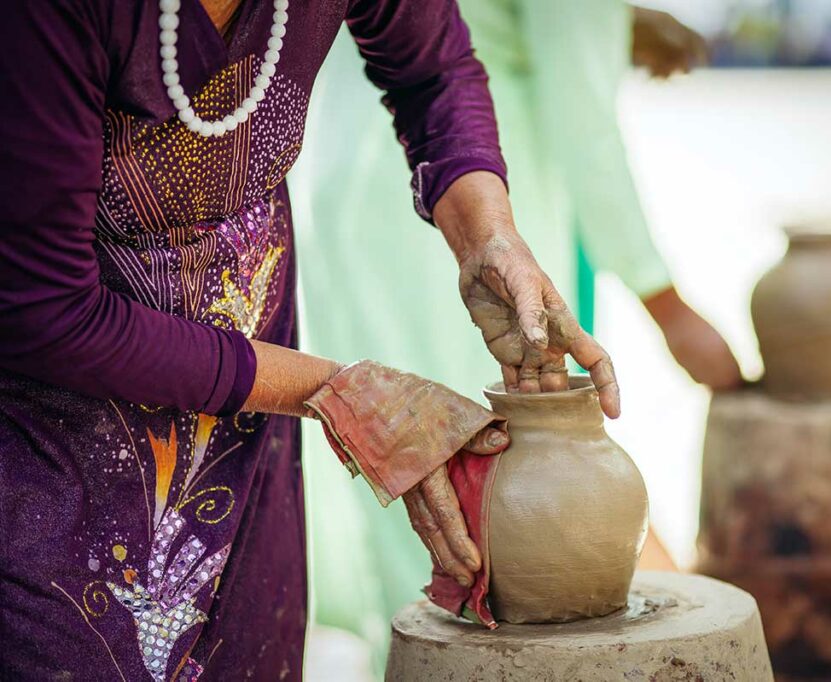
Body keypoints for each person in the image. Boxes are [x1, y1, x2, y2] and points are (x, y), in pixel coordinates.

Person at [0, 1, 616, 679]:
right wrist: (333, 390)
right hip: (51, 434)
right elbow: (44, 309)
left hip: (240, 414)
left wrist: (489, 236)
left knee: (243, 649)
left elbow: (434, 70)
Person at [292, 0, 742, 667]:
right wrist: (666, 302)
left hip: (360, 180)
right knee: (452, 491)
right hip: (441, 214)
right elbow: (584, 127)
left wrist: (612, 21)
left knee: (425, 477)